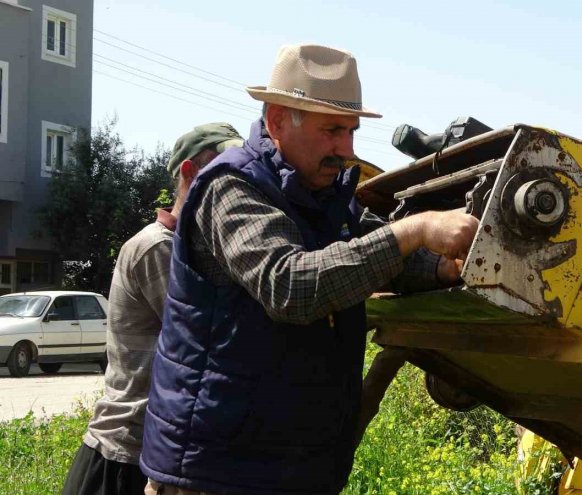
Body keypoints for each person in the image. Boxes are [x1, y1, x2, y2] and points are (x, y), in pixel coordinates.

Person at [139, 43, 479, 495]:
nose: (347, 149)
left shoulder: (323, 194)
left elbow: (376, 254)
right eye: (332, 130)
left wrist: (442, 269)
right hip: (219, 473)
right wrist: (413, 230)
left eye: (352, 131)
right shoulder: (232, 187)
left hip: (287, 468)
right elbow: (290, 286)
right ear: (278, 120)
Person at [61, 123, 244, 495]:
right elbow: (216, 341)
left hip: (160, 453)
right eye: (223, 173)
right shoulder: (159, 248)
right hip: (126, 455)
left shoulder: (196, 250)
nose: (236, 187)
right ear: (190, 172)